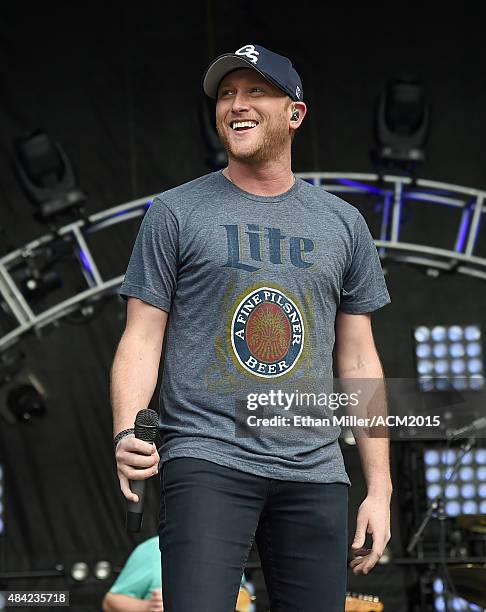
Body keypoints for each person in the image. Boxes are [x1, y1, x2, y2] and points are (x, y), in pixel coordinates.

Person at [111, 43, 392, 611]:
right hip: (206, 455)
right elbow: (141, 336)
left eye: (255, 91)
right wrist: (126, 432)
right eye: (227, 94)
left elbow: (359, 359)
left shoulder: (343, 223)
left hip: (315, 465)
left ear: (295, 113)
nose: (236, 104)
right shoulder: (176, 212)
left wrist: (379, 488)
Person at [102, 536, 250, 612]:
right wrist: (147, 607)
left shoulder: (224, 551)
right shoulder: (151, 549)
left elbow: (243, 599)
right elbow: (110, 602)